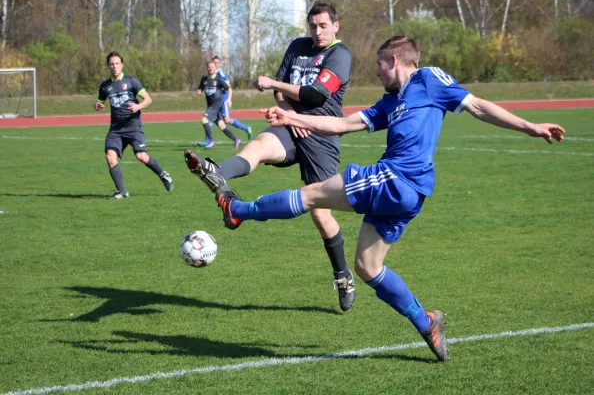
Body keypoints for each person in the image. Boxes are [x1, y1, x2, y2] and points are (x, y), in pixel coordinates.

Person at [194, 35, 566, 362]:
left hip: (396, 179)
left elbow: (478, 105)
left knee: (311, 195)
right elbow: (341, 123)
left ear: (394, 61)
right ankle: (426, 322)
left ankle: (236, 208)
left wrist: (531, 127)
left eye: (378, 66)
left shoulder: (428, 79)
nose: (376, 74)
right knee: (368, 267)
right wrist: (294, 120)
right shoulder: (390, 103)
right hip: (407, 195)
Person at [184, 3, 356, 311]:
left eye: (322, 26)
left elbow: (316, 94)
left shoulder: (339, 55)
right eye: (312, 26)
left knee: (320, 214)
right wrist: (288, 112)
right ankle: (215, 172)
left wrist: (275, 86)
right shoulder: (298, 46)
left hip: (321, 136)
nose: (316, 31)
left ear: (335, 26)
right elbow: (281, 91)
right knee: (261, 145)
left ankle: (342, 275)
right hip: (290, 126)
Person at [95, 51, 173, 200]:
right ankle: (122, 192)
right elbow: (100, 102)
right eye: (111, 64)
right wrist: (97, 105)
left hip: (133, 126)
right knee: (110, 157)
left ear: (122, 65)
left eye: (117, 63)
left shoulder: (131, 81)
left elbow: (148, 99)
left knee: (141, 156)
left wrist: (138, 107)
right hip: (116, 129)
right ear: (108, 66)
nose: (114, 66)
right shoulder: (105, 86)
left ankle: (164, 175)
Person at [196, 56, 252, 146]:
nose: (212, 67)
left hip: (221, 100)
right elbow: (201, 87)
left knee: (208, 119)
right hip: (212, 102)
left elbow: (228, 87)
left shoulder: (220, 74)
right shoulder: (205, 79)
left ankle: (210, 140)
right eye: (211, 65)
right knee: (221, 124)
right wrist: (200, 91)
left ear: (217, 65)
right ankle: (236, 139)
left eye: (216, 64)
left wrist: (229, 99)